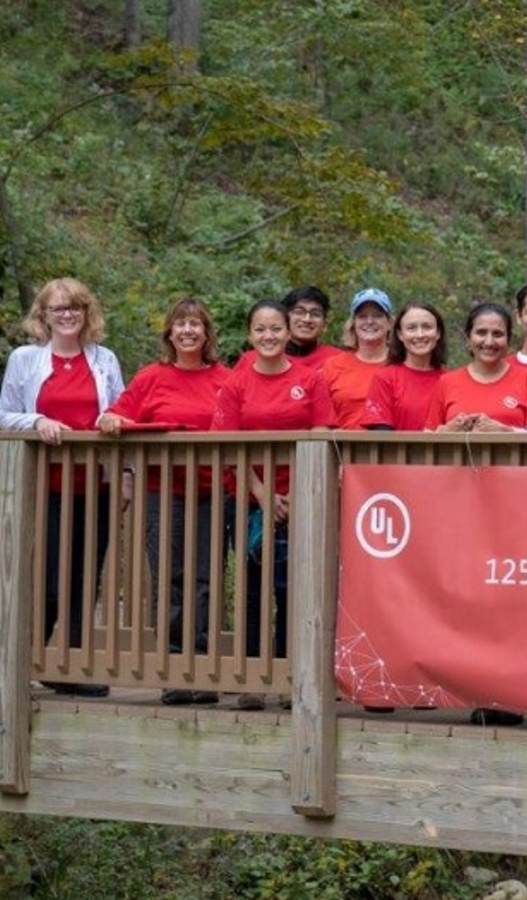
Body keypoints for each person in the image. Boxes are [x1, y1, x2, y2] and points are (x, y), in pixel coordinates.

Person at [97, 297, 228, 705]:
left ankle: (202, 669)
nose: (188, 331)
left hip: (213, 491)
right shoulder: (152, 376)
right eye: (180, 324)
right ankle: (174, 669)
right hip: (163, 491)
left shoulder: (226, 377)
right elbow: (112, 415)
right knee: (170, 577)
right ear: (169, 333)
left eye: (196, 324)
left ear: (207, 333)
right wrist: (111, 420)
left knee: (204, 578)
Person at [0, 277, 124, 697]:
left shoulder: (104, 358)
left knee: (85, 577)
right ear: (44, 316)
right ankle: (27, 659)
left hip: (96, 486)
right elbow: (4, 414)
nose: (67, 314)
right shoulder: (26, 359)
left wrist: (123, 470)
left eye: (75, 307)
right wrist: (36, 421)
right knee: (49, 576)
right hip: (44, 487)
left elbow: (122, 410)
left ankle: (67, 666)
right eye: (58, 309)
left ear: (87, 313)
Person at [212, 298, 335, 710]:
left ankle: (288, 677)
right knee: (251, 590)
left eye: (276, 329)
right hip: (248, 501)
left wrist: (294, 496)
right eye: (260, 329)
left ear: (288, 333)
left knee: (293, 591)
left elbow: (321, 434)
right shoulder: (235, 382)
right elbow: (227, 447)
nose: (269, 336)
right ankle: (251, 678)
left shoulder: (310, 379)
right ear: (250, 335)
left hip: (301, 500)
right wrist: (264, 496)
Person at [425, 302, 527, 433]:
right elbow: (428, 436)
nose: (489, 342)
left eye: (497, 334)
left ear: (508, 339)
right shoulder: (446, 382)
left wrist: (505, 431)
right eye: (481, 333)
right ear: (468, 338)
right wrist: (448, 431)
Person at [362, 302, 447, 430]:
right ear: (400, 334)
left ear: (438, 333)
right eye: (411, 328)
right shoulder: (385, 378)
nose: (420, 334)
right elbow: (380, 435)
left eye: (427, 327)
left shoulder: (450, 380)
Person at [321, 288, 393, 429]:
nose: (370, 321)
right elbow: (321, 419)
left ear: (389, 323)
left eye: (377, 316)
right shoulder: (333, 366)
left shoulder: (400, 364)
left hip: (391, 448)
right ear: (353, 323)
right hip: (342, 448)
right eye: (362, 316)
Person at [235, 286, 343, 370]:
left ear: (325, 324)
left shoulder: (337, 360)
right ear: (284, 317)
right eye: (299, 312)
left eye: (315, 314)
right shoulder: (252, 360)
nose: (306, 319)